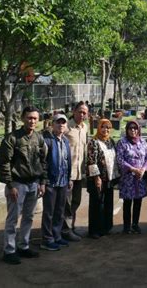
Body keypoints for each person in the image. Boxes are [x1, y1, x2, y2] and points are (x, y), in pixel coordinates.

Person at [0, 106, 47, 265]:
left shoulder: (38, 138)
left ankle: (23, 246)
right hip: (17, 184)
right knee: (12, 219)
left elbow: (42, 161)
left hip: (33, 183)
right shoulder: (12, 138)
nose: (32, 121)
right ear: (23, 118)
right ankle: (9, 250)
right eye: (29, 118)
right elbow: (3, 162)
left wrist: (42, 182)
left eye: (35, 118)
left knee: (29, 217)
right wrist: (10, 185)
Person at [41, 114, 73, 251]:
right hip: (51, 182)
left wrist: (69, 178)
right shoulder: (47, 141)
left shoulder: (65, 141)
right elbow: (42, 163)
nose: (61, 125)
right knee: (49, 212)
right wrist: (42, 181)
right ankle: (47, 239)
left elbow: (67, 161)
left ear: (66, 126)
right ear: (53, 124)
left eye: (63, 123)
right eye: (58, 122)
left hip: (63, 181)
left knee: (59, 211)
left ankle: (57, 236)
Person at [86, 118, 120, 239]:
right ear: (98, 128)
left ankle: (106, 227)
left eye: (108, 127)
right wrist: (96, 178)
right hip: (98, 178)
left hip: (109, 178)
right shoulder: (94, 142)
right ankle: (95, 230)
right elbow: (91, 161)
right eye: (103, 127)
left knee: (108, 203)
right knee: (97, 204)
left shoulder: (110, 141)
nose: (105, 129)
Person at [116, 120, 147, 234]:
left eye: (135, 128)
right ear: (127, 130)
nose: (133, 130)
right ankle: (127, 226)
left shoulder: (143, 142)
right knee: (127, 202)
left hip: (140, 178)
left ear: (138, 129)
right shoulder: (122, 142)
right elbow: (120, 160)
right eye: (130, 128)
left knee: (138, 201)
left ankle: (135, 224)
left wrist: (143, 169)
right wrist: (132, 169)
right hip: (128, 178)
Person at [63, 101, 89, 242]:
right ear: (74, 111)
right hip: (68, 173)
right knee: (66, 203)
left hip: (79, 172)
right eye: (80, 111)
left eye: (85, 112)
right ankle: (65, 230)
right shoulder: (66, 127)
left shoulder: (84, 128)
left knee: (76, 201)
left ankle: (70, 227)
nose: (82, 115)